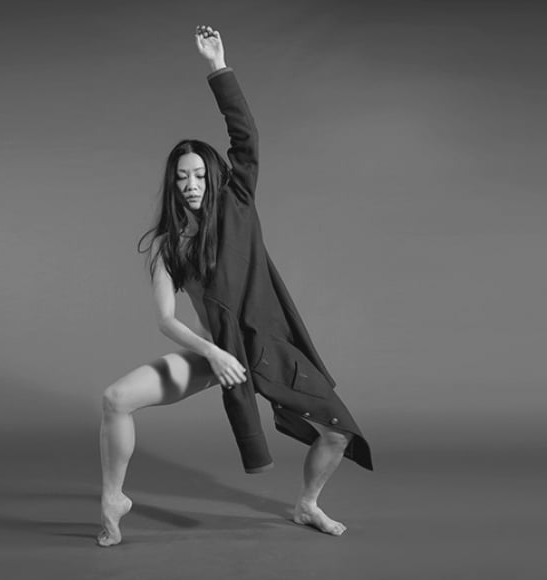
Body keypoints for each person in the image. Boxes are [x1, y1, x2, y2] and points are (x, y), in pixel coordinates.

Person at [97, 24, 372, 548]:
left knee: (339, 434)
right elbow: (166, 319)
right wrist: (214, 354)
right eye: (182, 177)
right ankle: (113, 498)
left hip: (271, 352)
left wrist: (217, 66)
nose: (191, 185)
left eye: (199, 175)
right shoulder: (167, 245)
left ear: (214, 176)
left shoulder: (238, 203)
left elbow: (246, 137)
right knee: (115, 399)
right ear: (173, 183)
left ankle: (307, 505)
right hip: (217, 355)